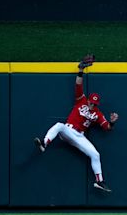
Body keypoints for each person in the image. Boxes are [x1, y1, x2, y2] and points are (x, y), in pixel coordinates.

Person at [34, 54, 119, 192]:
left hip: (79, 136)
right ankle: (44, 143)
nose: (92, 105)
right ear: (89, 100)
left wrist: (112, 122)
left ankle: (99, 181)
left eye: (95, 104)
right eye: (92, 102)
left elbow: (107, 127)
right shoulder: (81, 100)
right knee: (59, 125)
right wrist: (81, 70)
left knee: (95, 154)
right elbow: (78, 84)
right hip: (68, 130)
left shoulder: (97, 113)